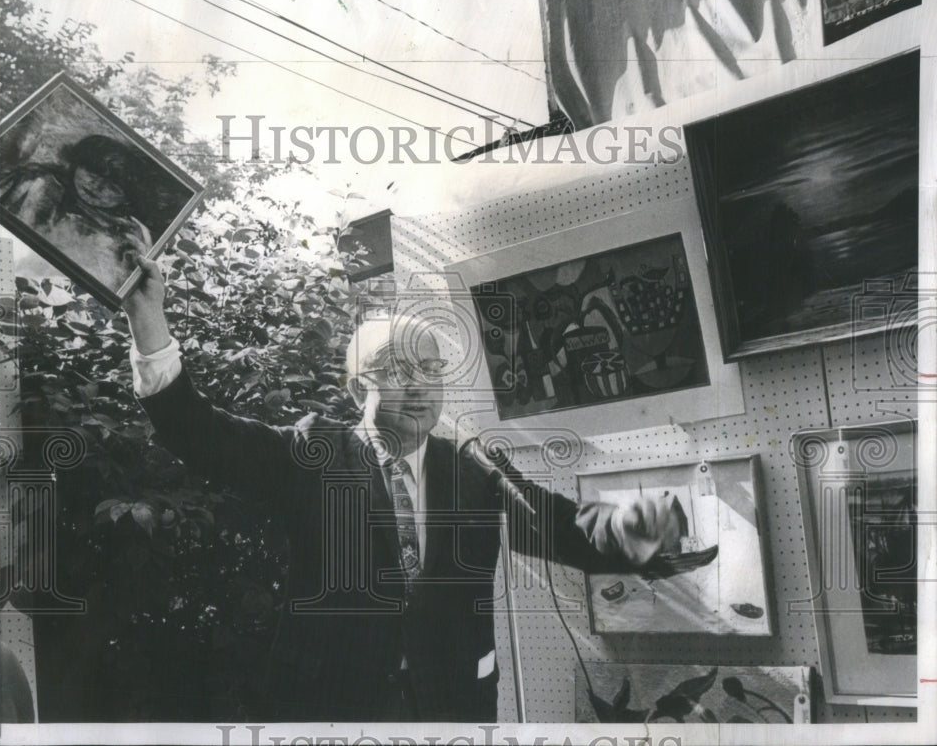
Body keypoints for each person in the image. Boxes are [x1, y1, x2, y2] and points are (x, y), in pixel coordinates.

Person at [123, 256, 678, 721]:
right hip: (334, 707)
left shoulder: (471, 465)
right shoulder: (312, 454)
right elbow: (199, 433)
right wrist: (148, 318)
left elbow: (555, 523)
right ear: (355, 385)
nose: (418, 387)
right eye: (396, 370)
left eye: (430, 369)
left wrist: (649, 528)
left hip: (453, 703)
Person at [0, 134, 159, 292]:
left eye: (112, 187)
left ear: (127, 199)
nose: (96, 186)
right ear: (77, 164)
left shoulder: (130, 233)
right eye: (92, 173)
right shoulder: (37, 182)